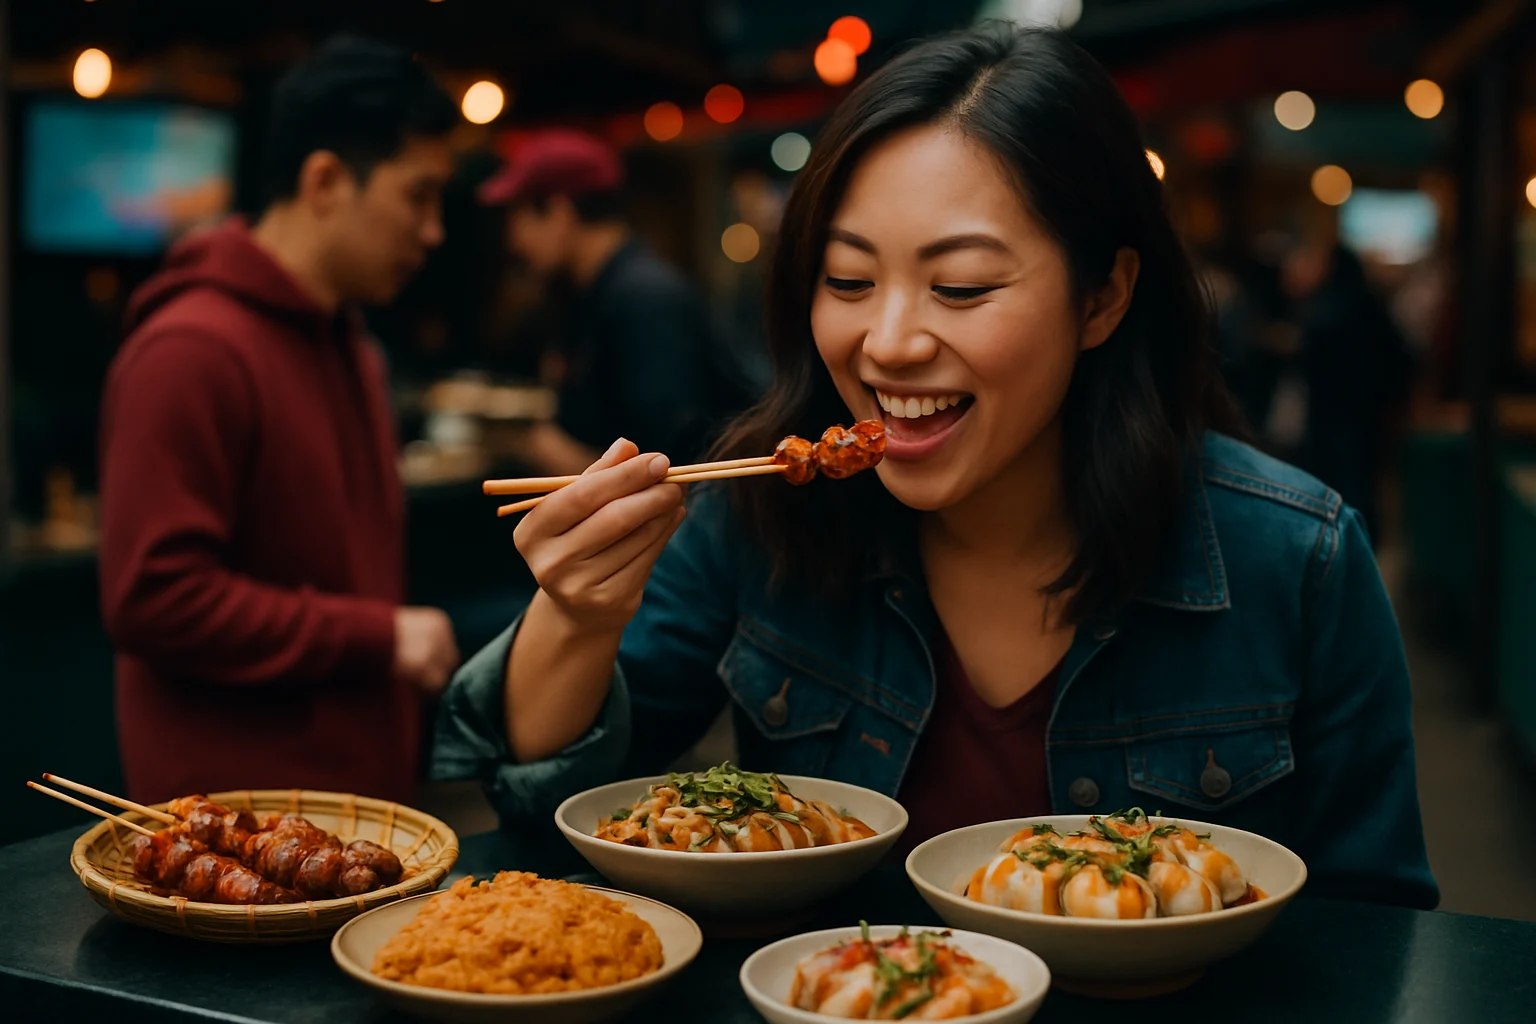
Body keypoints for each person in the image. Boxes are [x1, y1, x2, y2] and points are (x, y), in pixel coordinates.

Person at [433, 27, 1437, 908]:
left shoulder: (1295, 561)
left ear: (1103, 298)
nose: (889, 343)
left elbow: (1377, 931)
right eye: (848, 279)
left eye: (959, 286)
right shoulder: (764, 516)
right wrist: (576, 613)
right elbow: (545, 805)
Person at [99, 37, 462, 802]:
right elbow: (154, 597)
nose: (434, 232)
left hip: (357, 815)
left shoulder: (353, 345)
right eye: (417, 196)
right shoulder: (190, 347)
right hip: (240, 843)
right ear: (325, 179)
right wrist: (382, 636)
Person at [478, 129, 751, 472]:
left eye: (519, 216)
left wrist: (547, 450)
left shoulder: (644, 297)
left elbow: (667, 462)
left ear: (560, 212)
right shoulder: (590, 291)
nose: (513, 238)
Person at [1283, 241, 1414, 541]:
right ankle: (1361, 546)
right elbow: (1401, 359)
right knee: (1360, 488)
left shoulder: (1326, 308)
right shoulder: (1370, 304)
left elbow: (1310, 359)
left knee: (1335, 487)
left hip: (1332, 415)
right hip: (1364, 413)